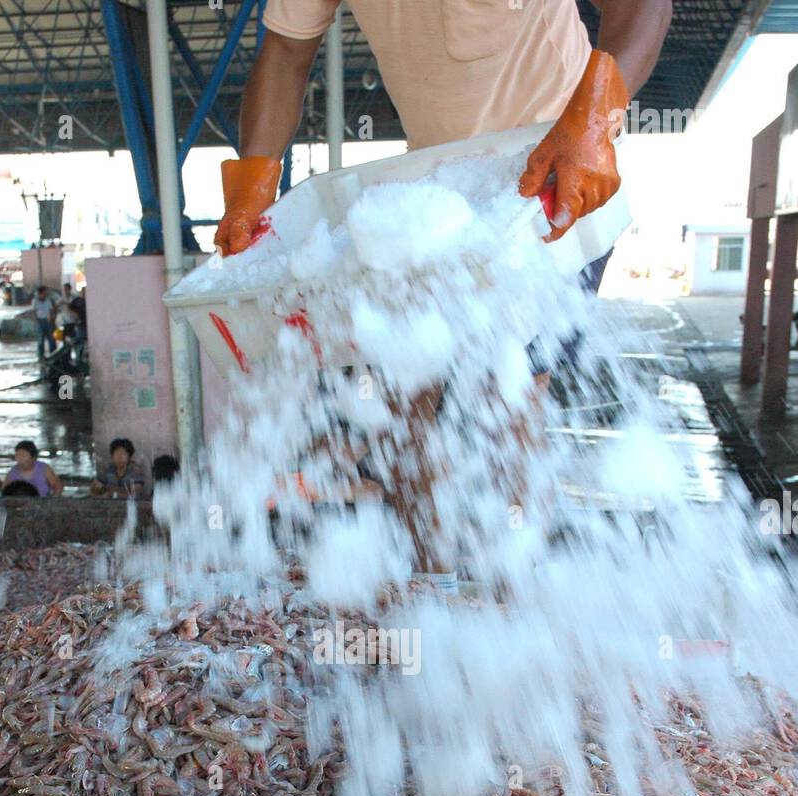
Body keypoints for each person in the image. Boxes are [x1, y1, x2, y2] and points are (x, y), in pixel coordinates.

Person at [213, 0, 672, 579]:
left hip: (561, 166)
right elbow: (284, 50)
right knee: (405, 390)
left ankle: (511, 595)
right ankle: (432, 592)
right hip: (442, 178)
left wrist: (598, 113)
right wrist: (253, 183)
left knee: (505, 388)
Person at [33, 286, 56, 359]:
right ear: (40, 293)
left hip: (48, 320)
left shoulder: (48, 300)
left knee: (51, 339)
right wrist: (36, 321)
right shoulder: (35, 301)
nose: (46, 294)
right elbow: (34, 312)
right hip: (40, 320)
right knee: (41, 339)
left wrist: (51, 319)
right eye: (44, 293)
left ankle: (53, 354)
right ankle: (41, 356)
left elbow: (51, 310)